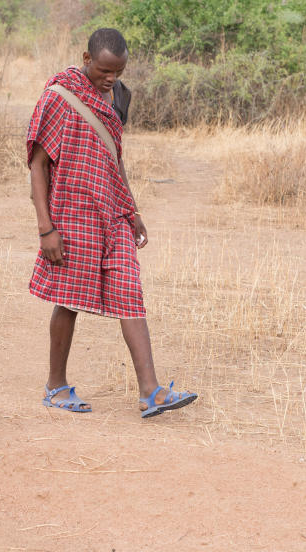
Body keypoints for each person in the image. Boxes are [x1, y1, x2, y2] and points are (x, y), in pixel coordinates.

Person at [27, 27, 198, 418]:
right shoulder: (57, 96)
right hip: (70, 213)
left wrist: (132, 209)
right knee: (69, 300)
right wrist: (45, 227)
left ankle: (151, 391)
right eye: (104, 71)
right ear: (86, 59)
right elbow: (37, 164)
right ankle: (55, 386)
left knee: (129, 289)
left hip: (112, 211)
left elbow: (113, 154)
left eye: (118, 72)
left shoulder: (119, 96)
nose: (110, 79)